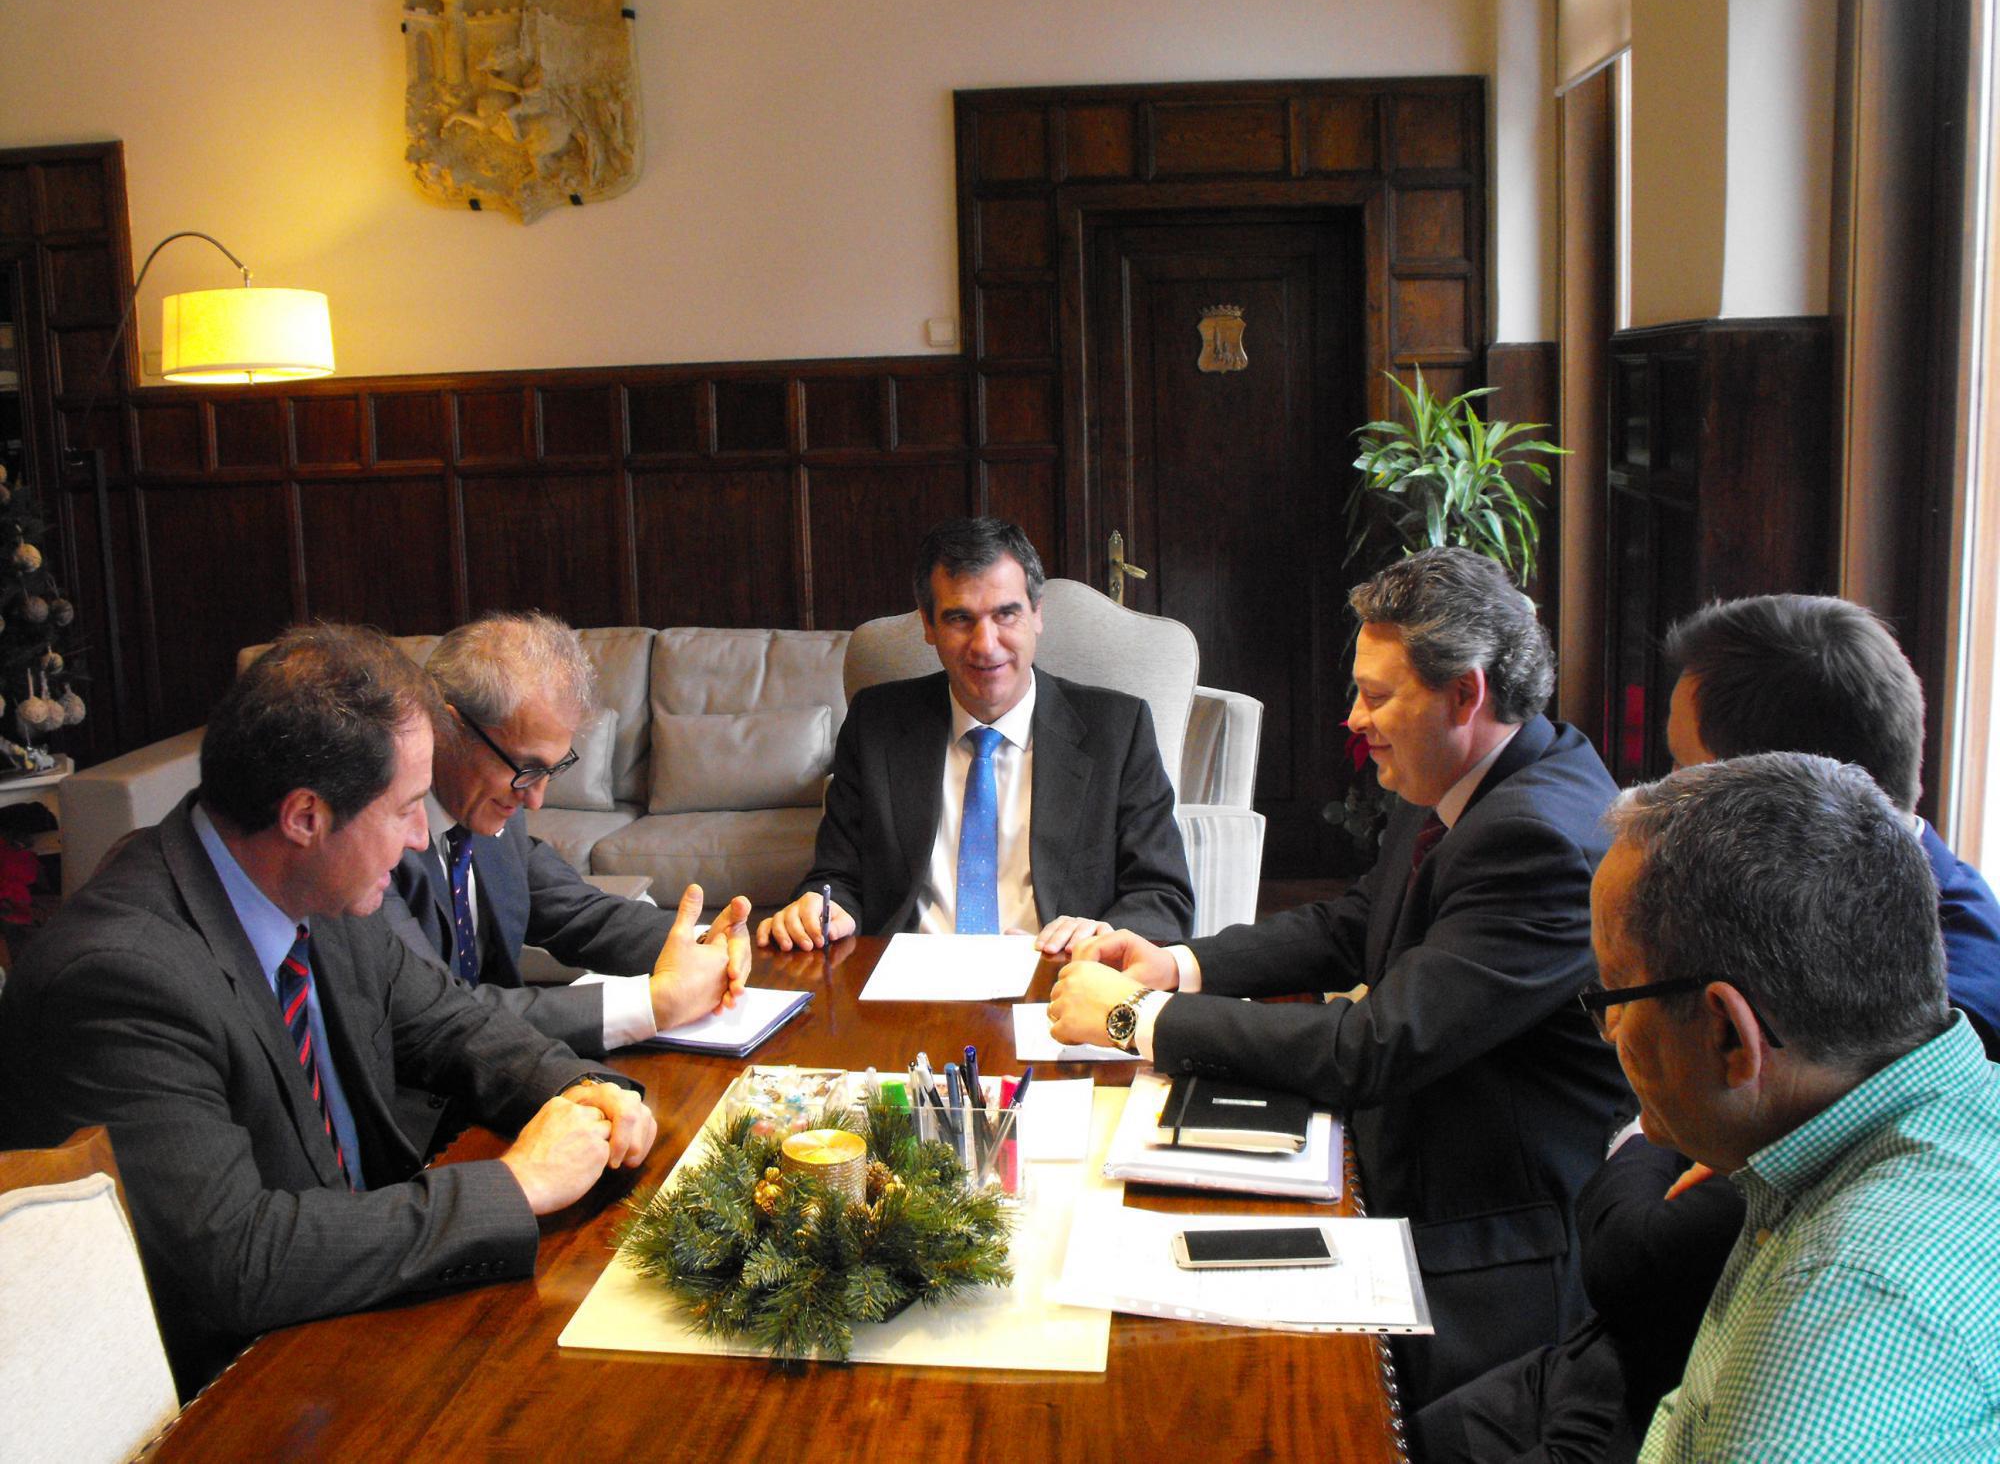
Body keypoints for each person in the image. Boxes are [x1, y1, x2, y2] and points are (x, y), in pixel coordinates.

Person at [1417, 590, 2000, 1463]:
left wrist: (1640, 1143)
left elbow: (1641, 1252)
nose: (1607, 1038)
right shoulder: (1883, 1065)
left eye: (1615, 997)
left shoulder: (1839, 1315)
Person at [0, 625, 656, 1397]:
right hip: (230, 1389)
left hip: (349, 1309)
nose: (420, 837)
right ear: (306, 817)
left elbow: (450, 1023)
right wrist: (515, 1185)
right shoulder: (121, 979)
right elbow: (238, 1261)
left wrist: (580, 1089)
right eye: (405, 809)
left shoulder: (316, 885)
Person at [1048, 545, 1626, 1406]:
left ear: (1465, 694)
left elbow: (1373, 1046)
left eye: (1377, 696)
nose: (1354, 719)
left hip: (1479, 1246)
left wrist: (1137, 1017)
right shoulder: (1471, 772)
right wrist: (1178, 963)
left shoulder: (1535, 837)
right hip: (1395, 1161)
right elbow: (1355, 924)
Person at [1591, 755, 2000, 1458]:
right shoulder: (1946, 1105)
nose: (1608, 1031)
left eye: (1615, 994)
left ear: (1730, 1034)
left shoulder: (1838, 1299)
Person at [384, 612, 749, 1149]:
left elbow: (577, 911)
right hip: (417, 1130)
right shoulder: (375, 844)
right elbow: (440, 1018)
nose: (536, 799)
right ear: (447, 726)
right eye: (526, 768)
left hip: (514, 1085)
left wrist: (699, 942)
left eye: (551, 771)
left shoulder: (489, 807)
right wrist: (653, 1003)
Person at [757, 516, 1195, 954]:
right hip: (906, 978)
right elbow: (837, 877)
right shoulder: (877, 724)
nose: (985, 644)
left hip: (1059, 975)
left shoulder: (1117, 730)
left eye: (1006, 614)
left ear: (1037, 614)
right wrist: (823, 909)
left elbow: (1162, 897)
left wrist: (1103, 936)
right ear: (929, 625)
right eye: (960, 618)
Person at [1665, 593, 2000, 1052]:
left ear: (1781, 797)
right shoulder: (1803, 903)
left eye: (1683, 769)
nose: (1667, 793)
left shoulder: (1934, 1026)